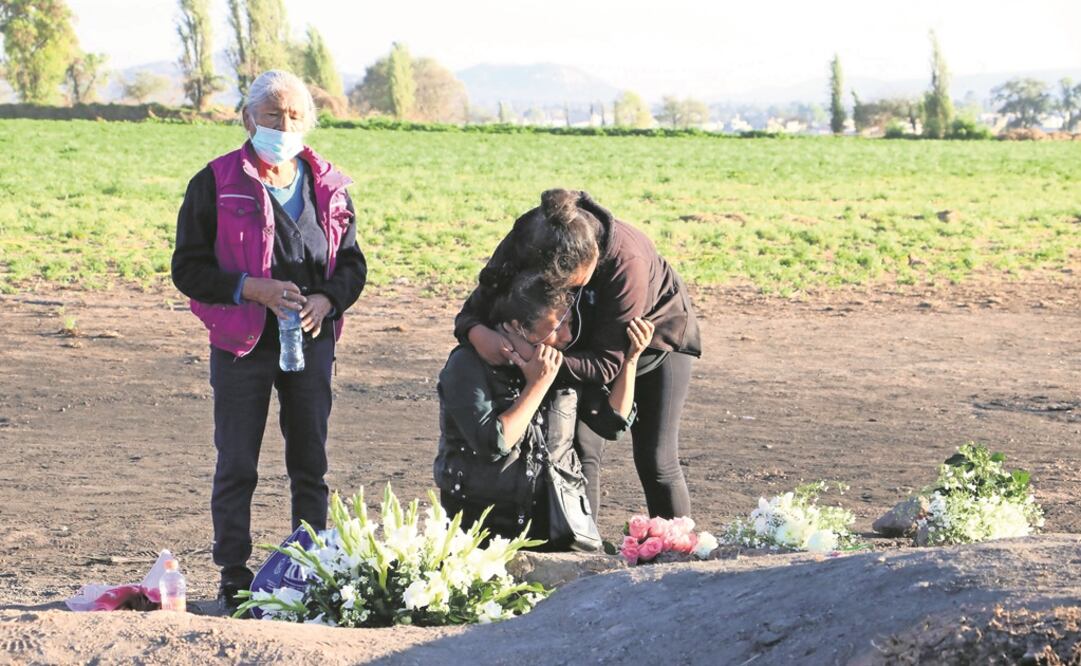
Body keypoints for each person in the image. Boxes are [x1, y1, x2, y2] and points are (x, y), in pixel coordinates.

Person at [171, 70, 366, 612]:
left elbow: (351, 263)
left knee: (311, 460)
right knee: (237, 461)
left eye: (296, 116)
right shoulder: (214, 182)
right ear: (248, 118)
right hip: (241, 342)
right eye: (274, 115)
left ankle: (313, 566)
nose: (285, 125)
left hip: (311, 338)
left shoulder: (329, 183)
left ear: (309, 122)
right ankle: (234, 573)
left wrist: (328, 300)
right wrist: (248, 288)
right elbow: (187, 269)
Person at [454, 189, 701, 520]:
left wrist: (531, 356)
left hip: (646, 339)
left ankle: (677, 555)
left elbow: (605, 363)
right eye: (565, 291)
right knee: (581, 449)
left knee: (656, 457)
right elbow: (478, 305)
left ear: (595, 254)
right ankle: (582, 547)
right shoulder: (528, 238)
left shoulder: (626, 262)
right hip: (562, 336)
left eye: (578, 286)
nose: (572, 294)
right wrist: (476, 332)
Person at [436, 272, 654, 545]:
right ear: (516, 326)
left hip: (554, 521)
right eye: (556, 327)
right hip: (481, 526)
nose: (568, 336)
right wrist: (537, 385)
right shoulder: (466, 366)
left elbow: (612, 423)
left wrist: (631, 360)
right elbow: (493, 441)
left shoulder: (557, 360)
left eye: (570, 323)